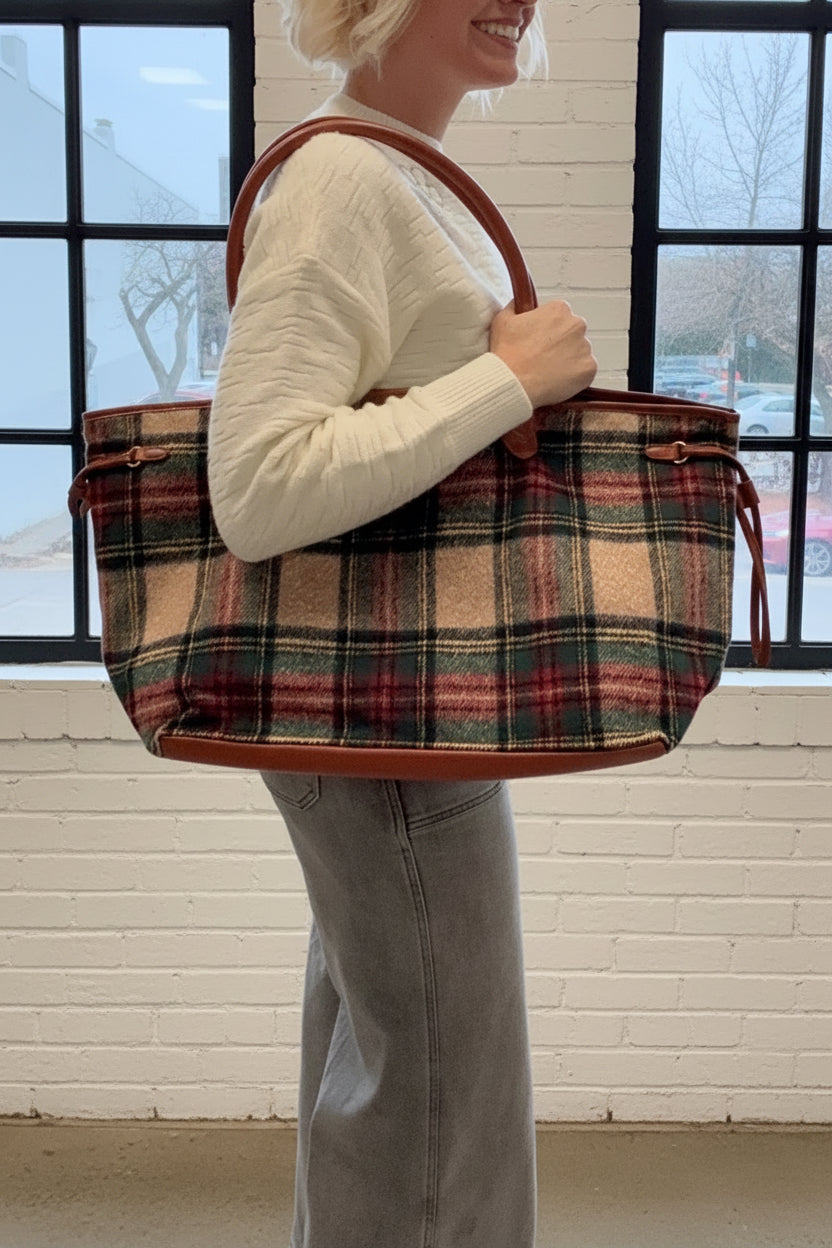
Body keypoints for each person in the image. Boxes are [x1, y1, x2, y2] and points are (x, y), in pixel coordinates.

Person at [208, 0, 597, 1243]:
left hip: (400, 701)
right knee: (440, 1098)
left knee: (393, 1072)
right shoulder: (342, 180)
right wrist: (506, 379)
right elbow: (256, 486)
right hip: (385, 709)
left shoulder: (398, 173)